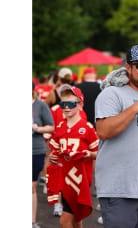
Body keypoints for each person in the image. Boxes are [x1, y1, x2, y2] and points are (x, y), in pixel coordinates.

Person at [95, 44, 138, 228]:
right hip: (119, 189)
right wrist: (135, 108)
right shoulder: (112, 94)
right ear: (129, 68)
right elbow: (104, 131)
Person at [48, 85, 99, 228]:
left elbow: (100, 153)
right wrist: (53, 156)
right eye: (63, 104)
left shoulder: (87, 127)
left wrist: (89, 154)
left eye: (70, 104)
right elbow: (55, 151)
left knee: (65, 221)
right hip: (65, 180)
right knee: (76, 220)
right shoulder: (59, 127)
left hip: (81, 180)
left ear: (80, 104)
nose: (66, 107)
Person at [32, 81, 55, 228]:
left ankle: (32, 221)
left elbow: (51, 126)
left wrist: (38, 128)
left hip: (35, 150)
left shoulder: (40, 105)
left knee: (31, 187)